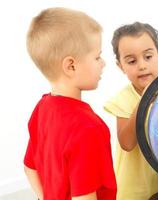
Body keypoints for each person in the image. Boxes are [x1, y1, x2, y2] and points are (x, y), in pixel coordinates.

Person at [23, 7, 116, 200]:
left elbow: (29, 167)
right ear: (71, 66)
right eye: (97, 56)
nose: (103, 63)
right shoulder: (88, 129)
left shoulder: (42, 109)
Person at [104, 22, 158, 200]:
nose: (142, 65)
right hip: (134, 191)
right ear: (121, 66)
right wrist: (143, 102)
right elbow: (126, 142)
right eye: (132, 61)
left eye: (148, 56)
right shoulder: (124, 99)